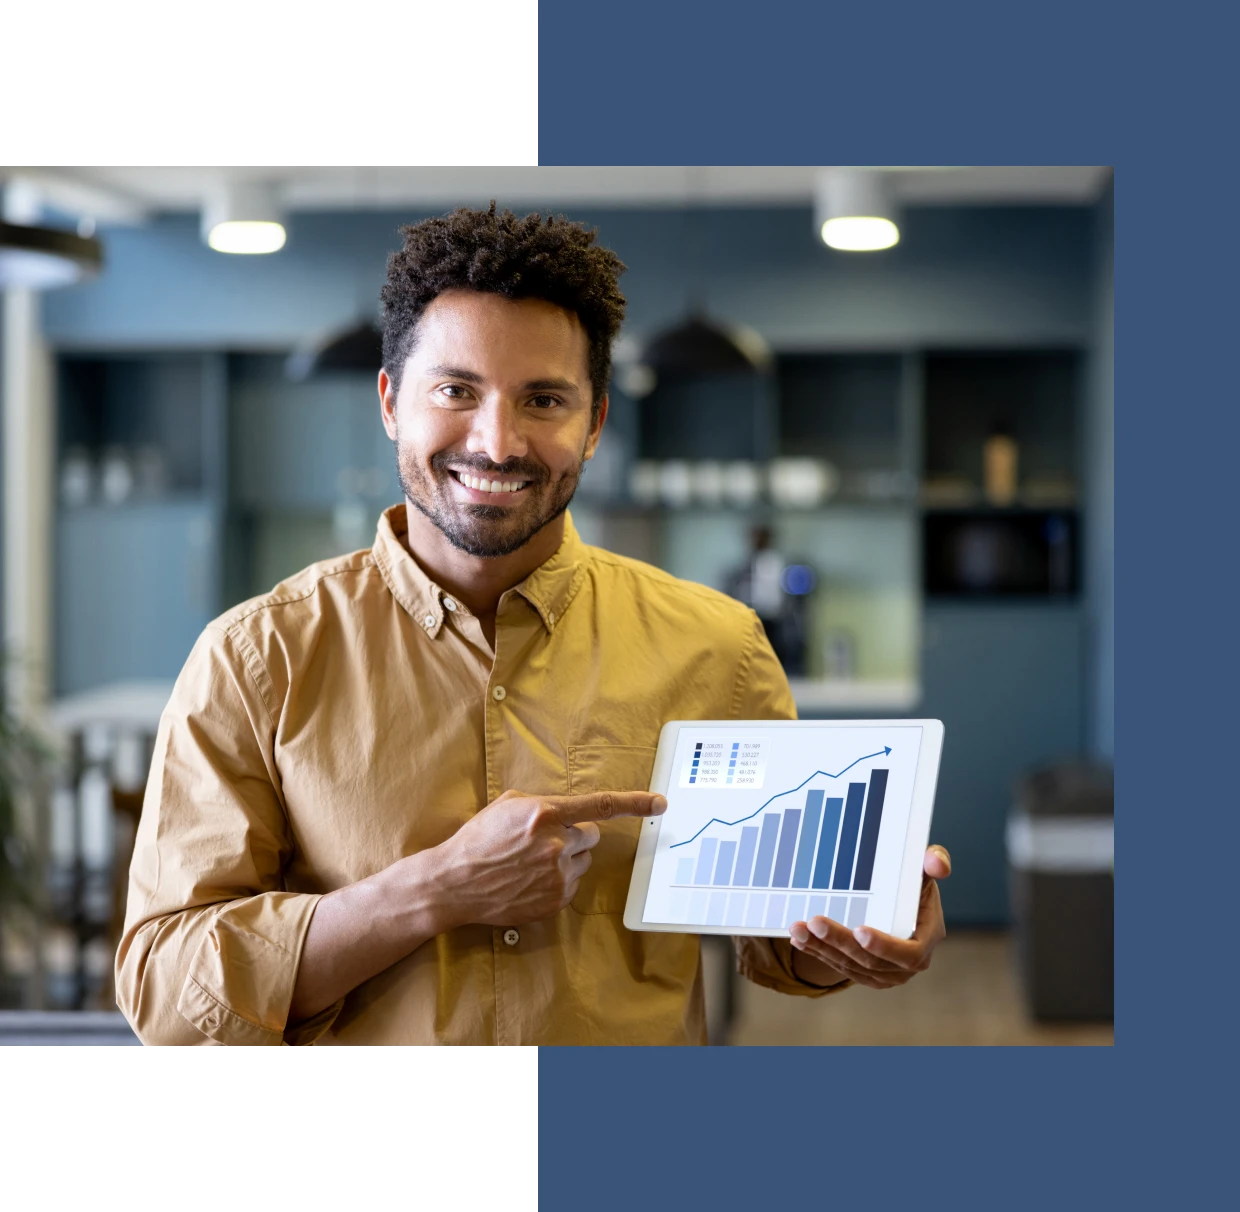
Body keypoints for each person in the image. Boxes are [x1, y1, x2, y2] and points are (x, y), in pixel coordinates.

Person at [115, 204, 952, 1046]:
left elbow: (783, 945)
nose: (498, 441)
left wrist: (861, 930)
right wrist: (435, 889)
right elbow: (164, 990)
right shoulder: (255, 659)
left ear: (592, 426)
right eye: (456, 391)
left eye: (543, 399)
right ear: (389, 402)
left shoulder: (719, 648)